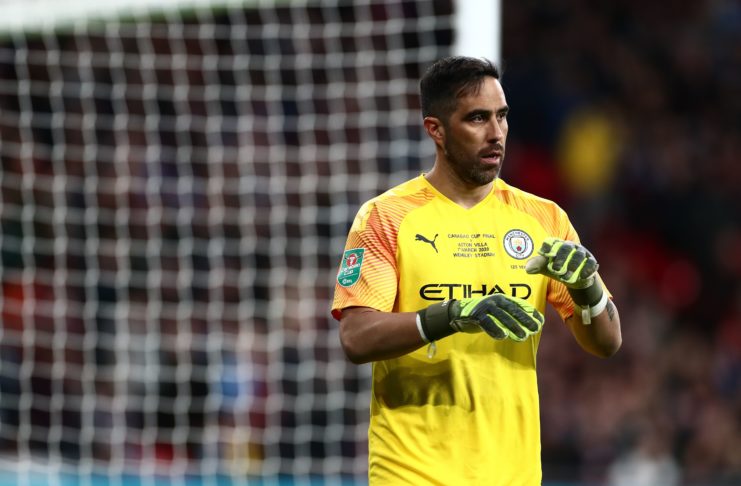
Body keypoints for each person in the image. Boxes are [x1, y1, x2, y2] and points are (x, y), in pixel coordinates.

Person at [331, 56, 622, 485]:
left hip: (511, 473)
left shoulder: (543, 219)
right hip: (412, 472)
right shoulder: (386, 217)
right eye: (477, 119)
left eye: (502, 117)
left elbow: (607, 343)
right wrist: (451, 315)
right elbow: (355, 338)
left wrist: (587, 289)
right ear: (436, 129)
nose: (496, 134)